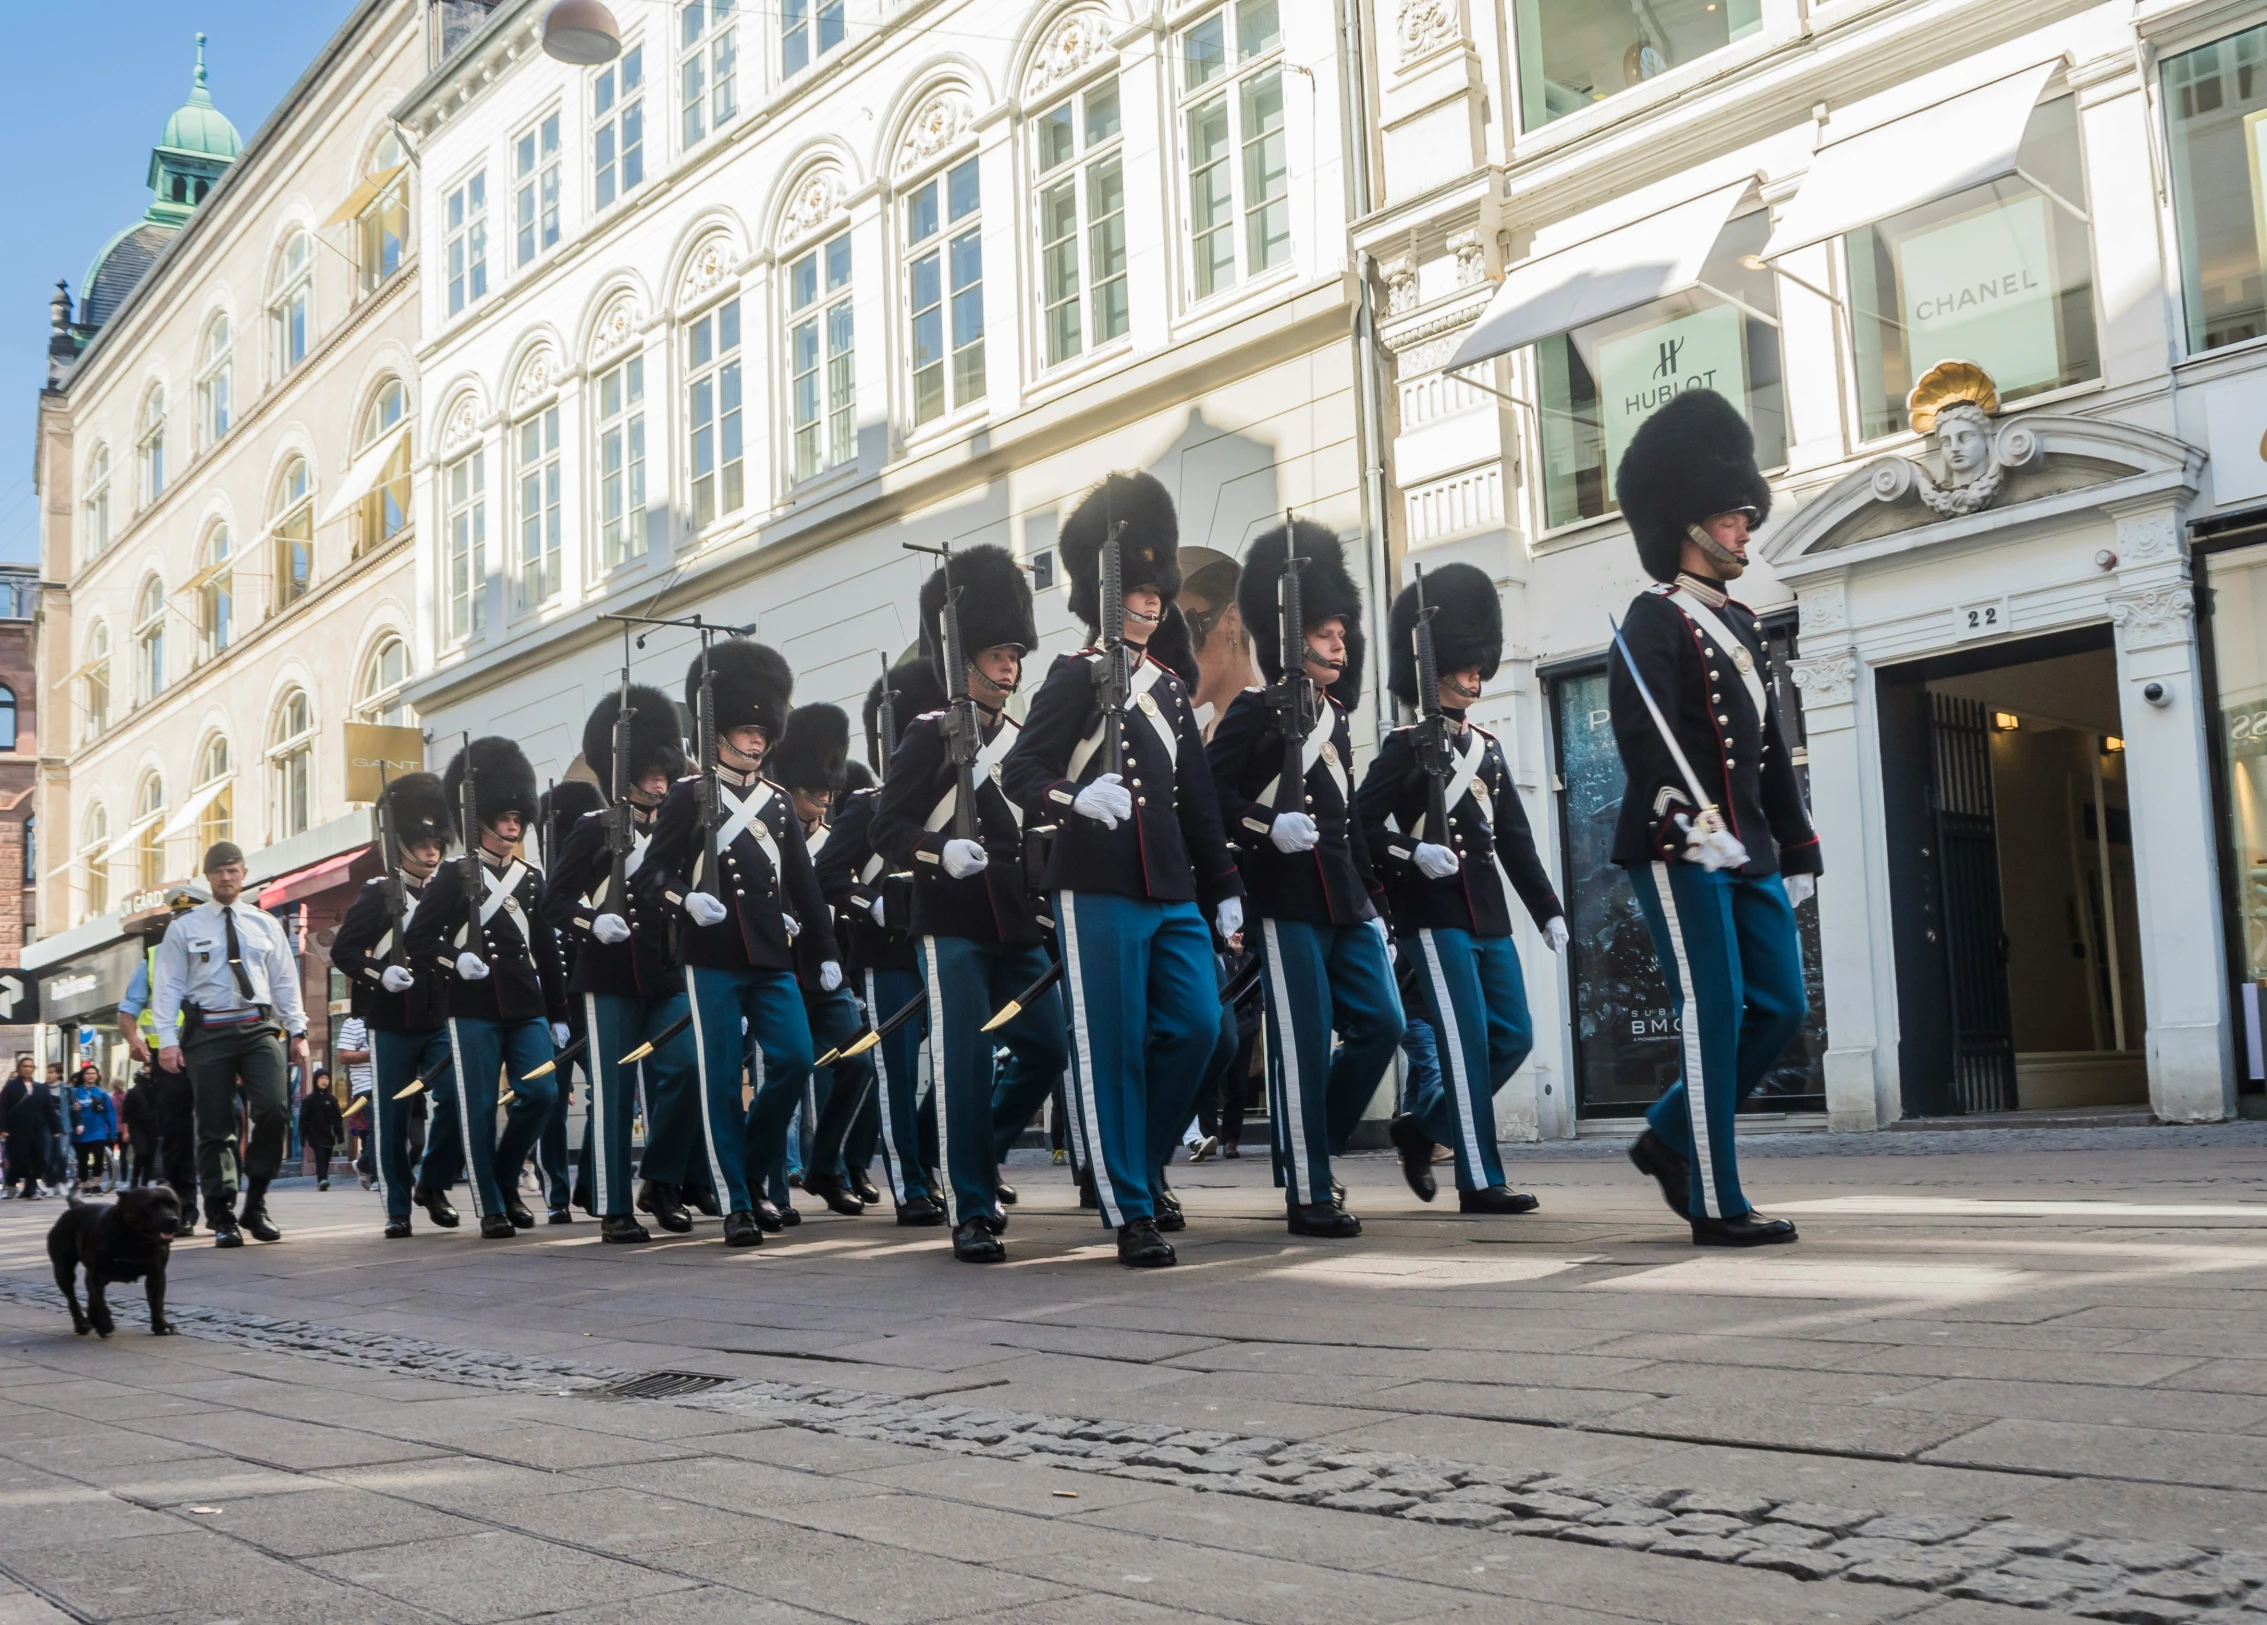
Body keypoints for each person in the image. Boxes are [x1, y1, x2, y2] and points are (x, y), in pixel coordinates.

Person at [1001, 471, 1245, 1269]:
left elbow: (1198, 804)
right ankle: (1127, 1204)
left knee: (1200, 1027)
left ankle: (1138, 1162)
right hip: (1096, 882)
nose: (1148, 603)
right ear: (1104, 595)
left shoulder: (1171, 690)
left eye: (1155, 591)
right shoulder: (1075, 674)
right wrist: (1073, 796)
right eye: (1135, 591)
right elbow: (1022, 771)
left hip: (1170, 886)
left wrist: (1227, 891)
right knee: (1108, 1044)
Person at [1608, 389, 1820, 1247]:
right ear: (1688, 525)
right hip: (1680, 844)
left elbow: (1766, 750)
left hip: (1750, 848)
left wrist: (1793, 846)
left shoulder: (1744, 622)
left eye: (1743, 517)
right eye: (1731, 519)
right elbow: (1641, 738)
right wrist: (1692, 822)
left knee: (1778, 1007)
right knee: (1717, 1007)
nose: (1744, 531)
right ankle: (1715, 1199)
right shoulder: (1652, 619)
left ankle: (1665, 1134)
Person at [872, 545, 1067, 1263]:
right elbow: (884, 827)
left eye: (1015, 652)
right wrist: (936, 849)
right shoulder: (928, 735)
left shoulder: (1019, 741)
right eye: (995, 652)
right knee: (964, 1060)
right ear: (965, 660)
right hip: (950, 922)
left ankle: (975, 1154)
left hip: (1014, 924)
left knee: (1047, 1046)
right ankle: (972, 1206)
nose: (1009, 666)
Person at [1208, 520, 1400, 1238]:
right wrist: (1262, 829)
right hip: (1285, 900)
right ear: (1290, 635)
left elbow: (1345, 820)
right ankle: (1308, 1186)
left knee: (1379, 1024)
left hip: (1343, 898)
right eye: (1323, 633)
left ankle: (1313, 1144)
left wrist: (1376, 907)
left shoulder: (1336, 719)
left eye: (1340, 633)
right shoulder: (1253, 713)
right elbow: (1207, 797)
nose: (1338, 644)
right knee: (1303, 1037)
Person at [1358, 563, 1567, 1215]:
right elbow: (1357, 826)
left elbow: (1514, 840)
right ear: (1436, 665)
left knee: (1511, 1035)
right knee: (1467, 1043)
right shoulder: (1401, 748)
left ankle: (1421, 1127)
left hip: (1487, 917)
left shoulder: (1488, 749)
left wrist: (1547, 910)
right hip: (1433, 915)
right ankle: (1478, 1179)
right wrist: (1411, 851)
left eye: (1480, 665)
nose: (1476, 675)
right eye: (1465, 664)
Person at [639, 638, 841, 1249]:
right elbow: (653, 874)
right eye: (745, 731)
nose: (756, 742)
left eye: (761, 731)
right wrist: (684, 900)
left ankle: (750, 1170)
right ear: (718, 732)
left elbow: (804, 888)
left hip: (773, 957)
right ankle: (735, 1200)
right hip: (713, 956)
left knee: (794, 1059)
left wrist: (826, 953)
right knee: (721, 1077)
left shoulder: (778, 804)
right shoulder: (688, 796)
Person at [542, 684, 694, 1243]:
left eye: (664, 773)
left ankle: (661, 1179)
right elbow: (554, 902)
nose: (660, 783)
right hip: (608, 977)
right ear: (624, 773)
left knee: (687, 1069)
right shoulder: (593, 829)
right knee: (613, 1089)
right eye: (650, 773)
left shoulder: (679, 827)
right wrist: (589, 922)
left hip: (666, 972)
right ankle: (613, 1206)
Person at [404, 739, 571, 1240]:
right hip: (472, 1005)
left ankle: (504, 1172)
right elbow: (417, 940)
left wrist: (558, 1013)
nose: (514, 826)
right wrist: (456, 959)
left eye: (519, 818)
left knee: (540, 1093)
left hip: (526, 1005)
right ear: (481, 820)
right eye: (504, 818)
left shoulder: (532, 879)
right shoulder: (454, 877)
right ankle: (492, 1202)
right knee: (477, 1105)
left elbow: (547, 951)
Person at [818, 660, 946, 1226]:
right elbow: (828, 874)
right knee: (896, 1073)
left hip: (945, 945)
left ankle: (939, 1160)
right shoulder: (867, 805)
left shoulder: (956, 795)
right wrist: (868, 903)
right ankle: (910, 1184)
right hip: (891, 952)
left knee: (955, 1068)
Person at [152, 842, 310, 1247]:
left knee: (274, 1110)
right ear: (208, 876)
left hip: (258, 1026)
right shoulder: (184, 927)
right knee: (215, 1124)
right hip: (207, 1031)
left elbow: (283, 981)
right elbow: (167, 986)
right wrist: (167, 1041)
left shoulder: (263, 923)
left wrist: (298, 1031)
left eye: (233, 870)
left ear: (243, 873)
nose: (226, 877)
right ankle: (221, 1214)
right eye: (219, 871)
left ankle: (255, 1204)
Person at [332, 770, 462, 1237]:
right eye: (423, 843)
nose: (432, 851)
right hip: (390, 1018)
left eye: (437, 843)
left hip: (439, 1014)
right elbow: (344, 952)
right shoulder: (379, 893)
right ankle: (397, 1208)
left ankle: (434, 1181)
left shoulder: (449, 892)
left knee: (456, 1099)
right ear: (402, 844)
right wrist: (378, 972)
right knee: (391, 1116)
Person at [769, 702, 873, 1219]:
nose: (825, 802)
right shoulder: (763, 829)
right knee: (784, 1075)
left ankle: (826, 1165)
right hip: (778, 970)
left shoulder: (832, 839)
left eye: (829, 792)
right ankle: (770, 1185)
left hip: (826, 970)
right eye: (816, 793)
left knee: (858, 1064)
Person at [118, 893, 202, 1229]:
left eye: (189, 918)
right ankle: (183, 1210)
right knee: (177, 1134)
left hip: (210, 1053)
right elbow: (128, 1010)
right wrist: (134, 1039)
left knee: (215, 1132)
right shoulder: (152, 959)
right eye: (176, 919)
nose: (181, 925)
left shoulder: (217, 955)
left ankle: (222, 1207)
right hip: (168, 1064)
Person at [334, 1009, 375, 1188]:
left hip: (390, 1083)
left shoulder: (391, 1018)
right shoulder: (353, 1022)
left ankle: (364, 1164)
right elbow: (343, 1056)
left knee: (391, 1129)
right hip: (365, 1086)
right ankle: (374, 1173)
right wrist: (374, 1053)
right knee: (378, 1127)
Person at [1, 1055, 47, 1198]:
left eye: (30, 1066)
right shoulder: (11, 1087)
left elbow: (48, 1109)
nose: (27, 1069)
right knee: (19, 1160)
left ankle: (30, 1189)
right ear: (19, 1068)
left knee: (36, 1158)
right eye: (24, 1066)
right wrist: (3, 1128)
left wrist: (56, 1127)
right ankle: (11, 1182)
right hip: (16, 1130)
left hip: (36, 1129)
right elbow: (2, 1108)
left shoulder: (40, 1087)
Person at [70, 1064, 119, 1189]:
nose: (90, 1076)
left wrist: (113, 1131)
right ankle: (85, 1184)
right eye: (87, 1073)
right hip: (80, 1131)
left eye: (93, 1073)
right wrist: (73, 1108)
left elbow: (110, 1112)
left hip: (98, 1130)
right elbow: (67, 1109)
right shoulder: (75, 1092)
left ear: (97, 1076)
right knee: (82, 1159)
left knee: (98, 1156)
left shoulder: (102, 1092)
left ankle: (96, 1184)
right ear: (83, 1076)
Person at [299, 1070, 344, 1189]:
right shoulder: (309, 1099)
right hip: (314, 1133)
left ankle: (324, 1178)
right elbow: (303, 1119)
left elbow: (337, 1119)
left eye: (327, 1078)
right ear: (316, 1080)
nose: (324, 1081)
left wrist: (340, 1135)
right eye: (321, 1078)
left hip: (328, 1134)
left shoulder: (332, 1099)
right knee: (320, 1155)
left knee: (327, 1156)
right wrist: (303, 1137)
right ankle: (322, 1179)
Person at [120, 1067, 157, 1188]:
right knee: (141, 1152)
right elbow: (126, 1113)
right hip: (136, 1127)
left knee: (150, 1155)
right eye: (145, 1074)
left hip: (153, 1127)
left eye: (149, 1074)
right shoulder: (133, 1092)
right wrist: (125, 1131)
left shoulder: (155, 1090)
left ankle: (145, 1183)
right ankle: (135, 1178)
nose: (147, 1077)